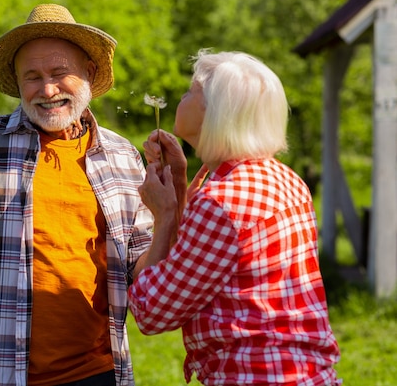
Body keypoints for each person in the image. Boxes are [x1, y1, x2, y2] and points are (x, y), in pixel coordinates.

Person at [0, 3, 153, 386]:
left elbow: (142, 265)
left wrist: (172, 212)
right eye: (32, 77)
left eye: (59, 73)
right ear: (18, 84)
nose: (47, 89)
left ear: (88, 72)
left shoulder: (122, 156)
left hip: (98, 372)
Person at [128, 49, 341, 386]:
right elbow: (210, 262)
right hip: (304, 374)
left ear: (215, 111)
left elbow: (152, 311)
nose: (182, 96)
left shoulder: (220, 202)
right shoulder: (285, 179)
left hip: (253, 376)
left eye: (191, 91)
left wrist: (165, 214)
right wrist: (180, 182)